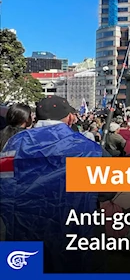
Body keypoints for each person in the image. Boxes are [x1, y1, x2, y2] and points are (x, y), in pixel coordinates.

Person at [0, 96, 106, 272]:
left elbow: (4, 183)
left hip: (24, 231)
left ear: (35, 117)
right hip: (71, 234)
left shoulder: (14, 143)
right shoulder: (88, 148)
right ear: (70, 117)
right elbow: (108, 189)